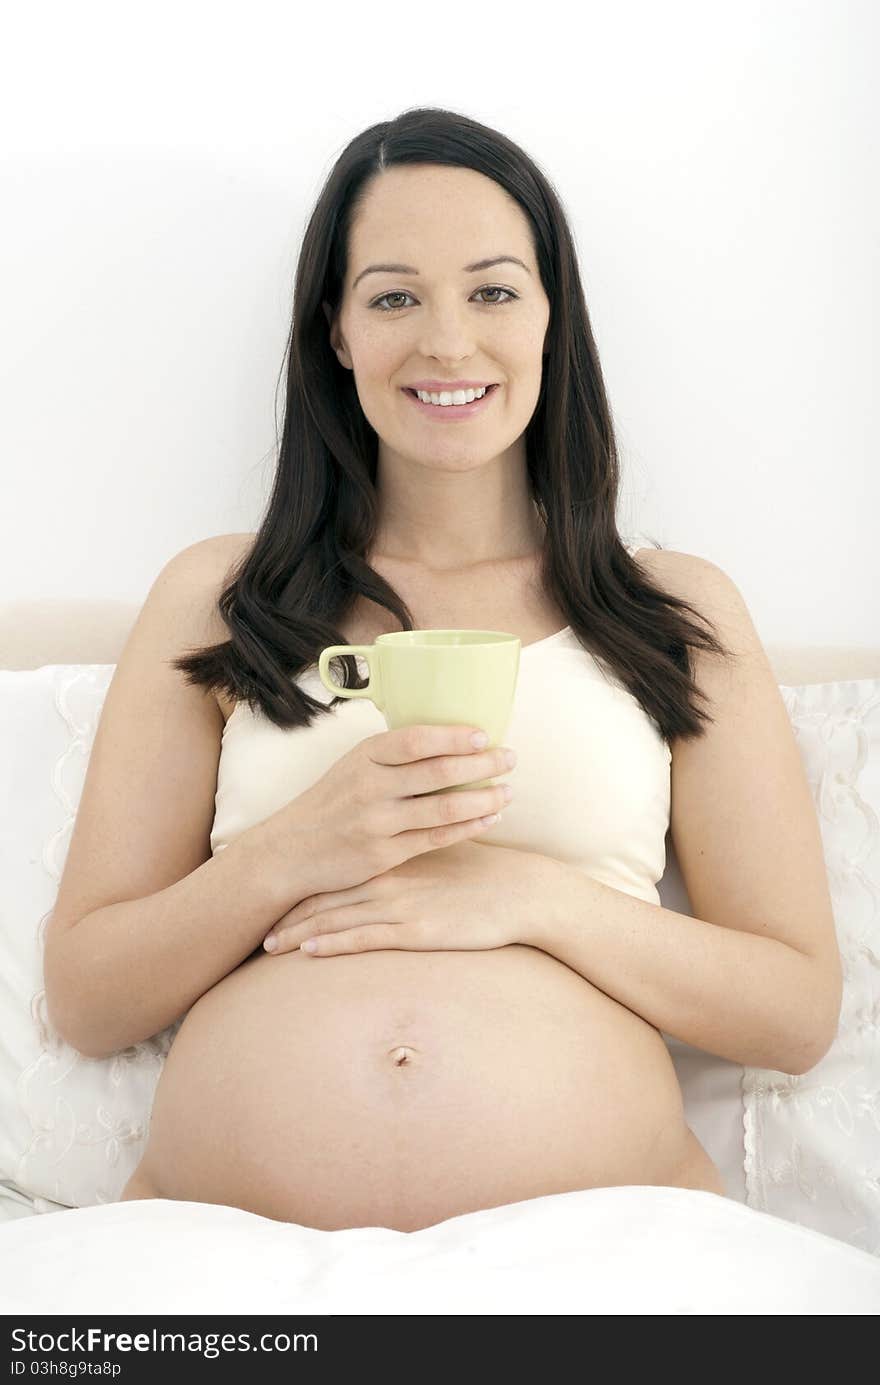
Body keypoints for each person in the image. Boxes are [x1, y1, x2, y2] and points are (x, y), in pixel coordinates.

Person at [43, 107, 842, 1233]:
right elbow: (87, 994)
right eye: (393, 295)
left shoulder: (673, 610)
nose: (448, 343)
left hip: (607, 1241)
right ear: (337, 332)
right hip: (225, 1246)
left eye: (494, 290)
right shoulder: (222, 597)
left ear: (554, 317)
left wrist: (531, 897)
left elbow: (794, 1007)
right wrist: (295, 850)